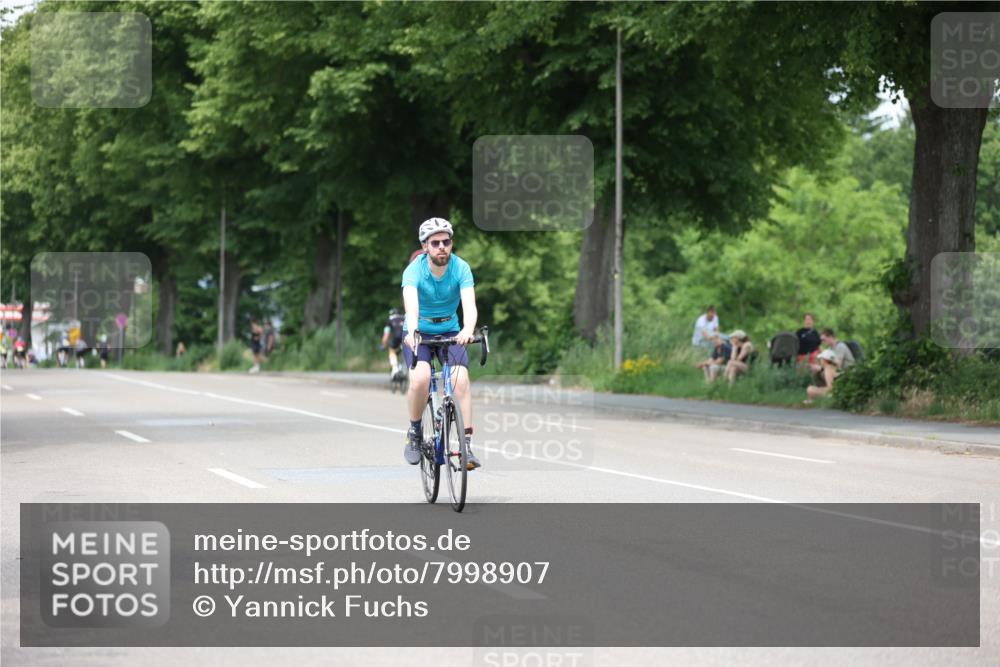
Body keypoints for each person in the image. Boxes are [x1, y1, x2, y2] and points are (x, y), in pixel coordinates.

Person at [401, 217, 481, 470]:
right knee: (421, 379)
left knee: (461, 379)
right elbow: (411, 308)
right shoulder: (414, 271)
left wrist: (468, 330)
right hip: (420, 333)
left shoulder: (461, 268)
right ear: (425, 246)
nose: (441, 247)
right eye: (435, 243)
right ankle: (414, 432)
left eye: (446, 241)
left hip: (450, 331)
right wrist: (412, 331)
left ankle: (466, 446)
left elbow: (469, 305)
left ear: (451, 243)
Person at [381, 308, 406, 379]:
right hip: (405, 337)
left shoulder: (389, 321)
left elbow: (386, 336)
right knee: (404, 350)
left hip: (396, 338)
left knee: (392, 350)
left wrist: (384, 345)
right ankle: (404, 367)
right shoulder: (404, 318)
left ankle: (395, 369)